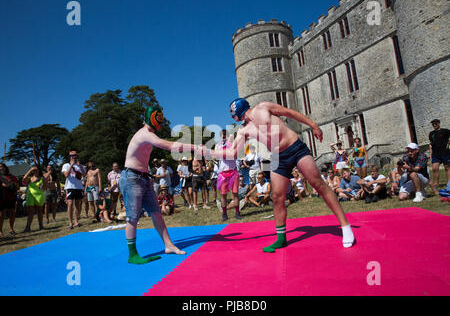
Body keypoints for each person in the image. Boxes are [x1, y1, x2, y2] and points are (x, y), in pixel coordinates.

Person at [204, 99, 355, 252]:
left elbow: (290, 113)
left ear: (237, 112)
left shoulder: (263, 107)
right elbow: (233, 152)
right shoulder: (244, 130)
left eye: (233, 115)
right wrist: (210, 152)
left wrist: (313, 125)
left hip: (295, 147)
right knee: (277, 197)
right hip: (277, 157)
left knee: (318, 184)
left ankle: (345, 226)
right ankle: (281, 238)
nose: (233, 119)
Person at [119, 106, 199, 264]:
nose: (161, 125)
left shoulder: (149, 134)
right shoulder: (144, 135)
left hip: (143, 177)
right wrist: (194, 147)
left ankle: (168, 245)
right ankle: (132, 254)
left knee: (156, 212)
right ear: (153, 120)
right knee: (133, 217)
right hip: (131, 177)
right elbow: (168, 146)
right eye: (159, 121)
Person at [215, 130, 242, 221]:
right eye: (222, 136)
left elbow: (234, 155)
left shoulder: (233, 145)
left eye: (225, 135)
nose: (224, 137)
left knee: (235, 193)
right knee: (223, 195)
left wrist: (228, 144)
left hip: (233, 172)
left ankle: (237, 213)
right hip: (223, 173)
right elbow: (217, 156)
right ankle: (224, 213)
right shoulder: (218, 145)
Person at [62, 150, 86, 229]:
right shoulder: (66, 165)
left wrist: (80, 166)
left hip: (78, 187)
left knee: (78, 205)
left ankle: (76, 221)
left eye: (75, 155)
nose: (73, 157)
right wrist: (71, 165)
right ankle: (70, 222)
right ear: (69, 157)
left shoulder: (80, 165)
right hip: (69, 187)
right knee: (70, 204)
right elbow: (66, 175)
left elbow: (84, 175)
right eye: (72, 155)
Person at [22, 166, 46, 232]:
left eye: (36, 170)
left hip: (39, 196)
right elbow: (24, 179)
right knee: (30, 212)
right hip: (30, 195)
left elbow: (45, 187)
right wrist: (30, 170)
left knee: (39, 211)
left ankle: (41, 226)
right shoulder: (29, 178)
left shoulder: (42, 178)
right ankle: (28, 227)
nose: (34, 171)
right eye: (33, 170)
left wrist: (41, 187)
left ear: (39, 170)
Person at [428, 119, 450, 194]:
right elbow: (431, 144)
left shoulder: (445, 131)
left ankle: (448, 184)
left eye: (435, 123)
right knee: (434, 168)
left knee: (447, 168)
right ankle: (436, 184)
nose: (434, 125)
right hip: (435, 154)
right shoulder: (431, 133)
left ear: (439, 123)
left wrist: (449, 143)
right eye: (433, 124)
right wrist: (430, 154)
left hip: (445, 153)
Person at [0, 163, 19, 237]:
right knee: (1, 215)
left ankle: (11, 229)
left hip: (10, 197)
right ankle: (0, 231)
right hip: (1, 198)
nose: (0, 168)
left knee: (12, 214)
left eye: (1, 166)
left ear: (5, 168)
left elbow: (17, 186)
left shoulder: (11, 176)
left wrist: (10, 183)